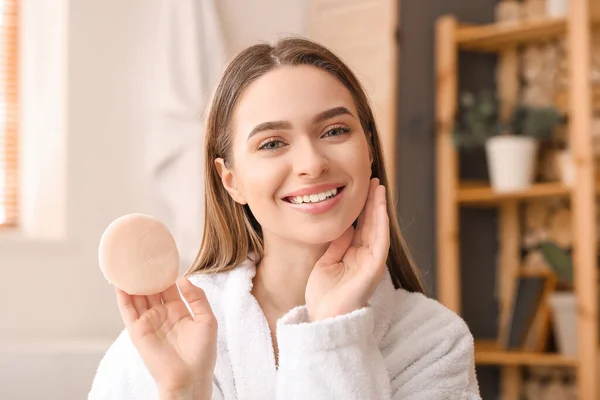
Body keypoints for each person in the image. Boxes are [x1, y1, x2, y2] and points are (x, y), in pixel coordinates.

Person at [89, 37, 481, 400]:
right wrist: (182, 389)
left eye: (335, 130)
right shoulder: (169, 332)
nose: (312, 164)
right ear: (231, 181)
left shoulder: (432, 341)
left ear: (370, 151)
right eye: (272, 143)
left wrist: (334, 330)